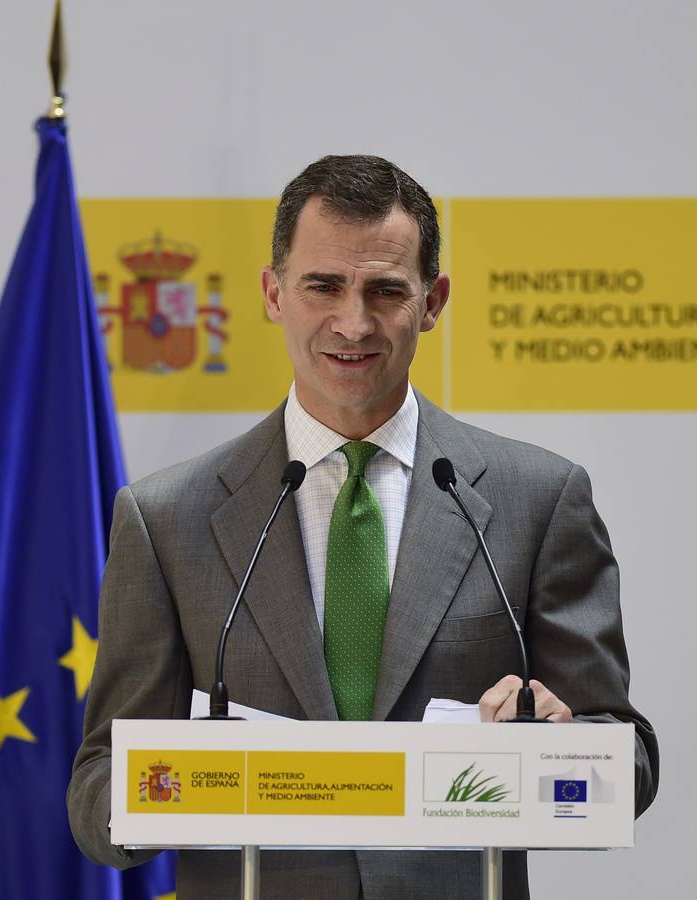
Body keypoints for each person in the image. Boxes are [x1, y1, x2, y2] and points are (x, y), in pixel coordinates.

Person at [68, 155, 658, 899]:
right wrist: (172, 785)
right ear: (274, 293)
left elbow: (626, 766)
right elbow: (95, 793)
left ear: (433, 301)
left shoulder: (537, 500)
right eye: (323, 286)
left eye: (385, 290)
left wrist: (559, 751)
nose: (354, 322)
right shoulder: (166, 519)